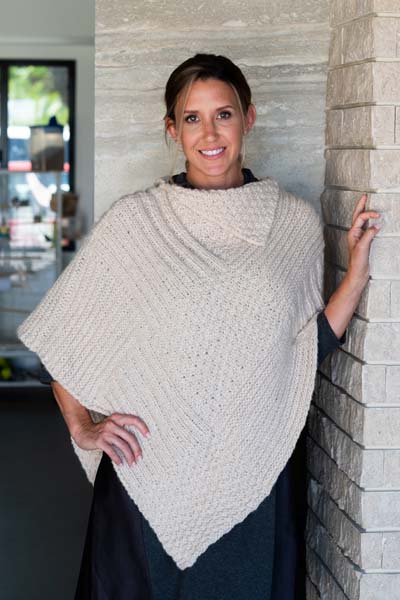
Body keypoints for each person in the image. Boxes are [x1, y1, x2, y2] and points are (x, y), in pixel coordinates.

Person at [19, 53, 381, 600]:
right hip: (147, 476)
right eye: (192, 118)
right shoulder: (137, 222)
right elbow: (65, 333)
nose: (209, 134)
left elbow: (308, 348)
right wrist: (81, 426)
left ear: (248, 118)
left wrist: (356, 272)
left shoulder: (293, 223)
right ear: (173, 129)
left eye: (223, 114)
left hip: (257, 472)